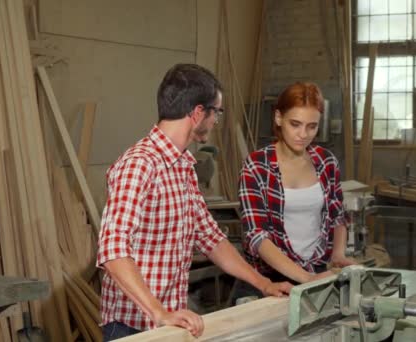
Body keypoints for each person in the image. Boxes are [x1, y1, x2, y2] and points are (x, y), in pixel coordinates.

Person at [96, 63, 293, 341]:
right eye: (217, 113)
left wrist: (263, 284)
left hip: (167, 322)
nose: (216, 122)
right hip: (133, 326)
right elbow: (112, 250)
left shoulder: (184, 166)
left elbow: (212, 238)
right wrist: (158, 311)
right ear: (199, 113)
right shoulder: (139, 164)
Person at [231, 82, 356, 304]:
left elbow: (337, 216)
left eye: (311, 126)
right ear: (278, 118)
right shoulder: (257, 166)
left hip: (316, 271)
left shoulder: (326, 161)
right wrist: (306, 279)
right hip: (269, 280)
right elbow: (257, 237)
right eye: (295, 124)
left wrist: (338, 255)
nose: (303, 134)